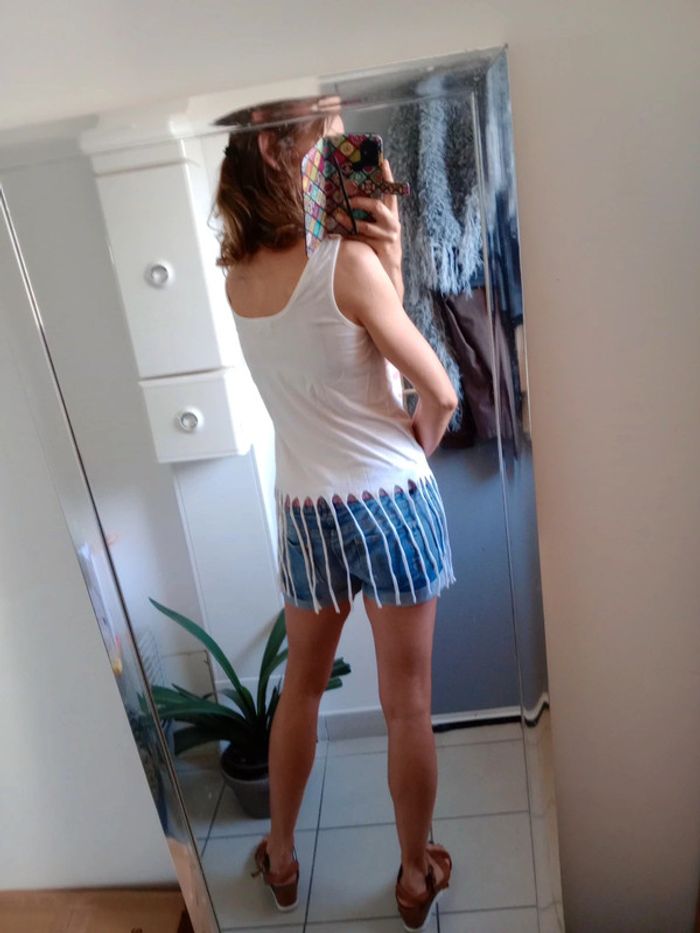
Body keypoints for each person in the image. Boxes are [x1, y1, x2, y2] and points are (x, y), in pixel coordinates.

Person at [213, 97, 456, 931]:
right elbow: (438, 391)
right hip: (391, 500)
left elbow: (326, 367)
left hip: (307, 512)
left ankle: (280, 857)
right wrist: (417, 441)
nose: (342, 141)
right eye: (325, 129)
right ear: (277, 149)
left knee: (302, 694)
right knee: (407, 704)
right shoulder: (345, 263)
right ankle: (415, 875)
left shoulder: (237, 280)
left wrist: (382, 260)